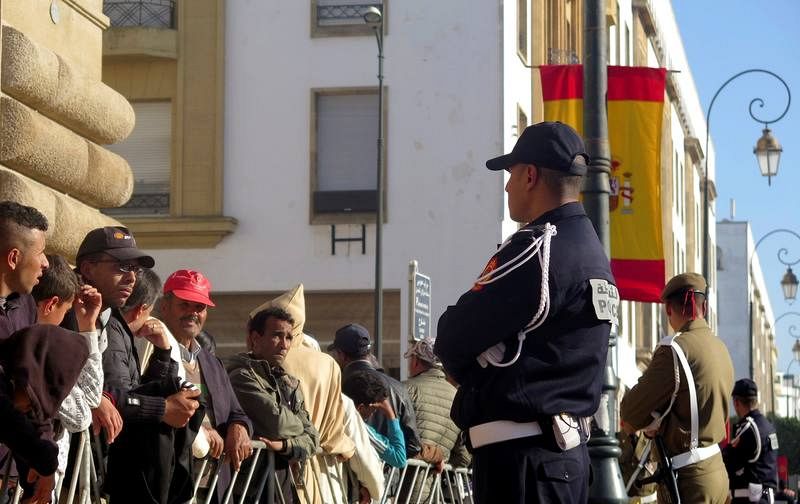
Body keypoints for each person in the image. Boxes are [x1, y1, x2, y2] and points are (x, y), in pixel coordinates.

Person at [434, 122, 616, 503]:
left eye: (511, 175)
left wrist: (471, 370)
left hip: (522, 467)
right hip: (560, 461)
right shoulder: (591, 252)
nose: (506, 187)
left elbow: (452, 337)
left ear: (530, 175)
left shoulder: (537, 249)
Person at [75, 227, 201, 503]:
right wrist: (163, 408)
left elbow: (129, 389)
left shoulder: (111, 319)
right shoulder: (73, 312)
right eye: (122, 266)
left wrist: (164, 356)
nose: (132, 277)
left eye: (134, 268)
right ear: (87, 268)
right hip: (68, 471)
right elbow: (112, 393)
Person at [621, 273, 734, 503]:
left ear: (669, 309)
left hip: (689, 478)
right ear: (704, 305)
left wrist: (653, 422)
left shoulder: (675, 348)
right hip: (716, 470)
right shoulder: (720, 347)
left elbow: (631, 411)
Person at [250, 285, 358, 504]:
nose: (283, 344)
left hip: (269, 466)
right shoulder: (327, 364)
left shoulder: (259, 361)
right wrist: (344, 449)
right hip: (311, 467)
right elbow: (331, 431)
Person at [159, 269, 252, 502]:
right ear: (164, 306)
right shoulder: (151, 351)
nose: (192, 313)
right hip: (170, 485)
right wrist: (199, 430)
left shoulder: (212, 363)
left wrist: (239, 427)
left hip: (213, 487)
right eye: (185, 305)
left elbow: (236, 411)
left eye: (199, 307)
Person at [227, 307, 319, 503]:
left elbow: (312, 439)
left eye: (288, 337)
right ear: (255, 338)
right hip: (251, 488)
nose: (284, 345)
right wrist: (299, 428)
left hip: (281, 486)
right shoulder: (241, 376)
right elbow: (277, 423)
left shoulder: (289, 383)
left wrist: (284, 445)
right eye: (277, 335)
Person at [32, 254, 104, 483]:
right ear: (51, 304)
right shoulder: (33, 349)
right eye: (65, 312)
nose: (65, 320)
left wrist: (88, 326)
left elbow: (91, 398)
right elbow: (81, 416)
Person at [0, 325, 90, 504]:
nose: (27, 410)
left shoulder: (14, 379)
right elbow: (8, 419)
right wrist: (45, 463)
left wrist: (38, 483)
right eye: (33, 400)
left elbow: (37, 422)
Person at [329, 323, 421, 459]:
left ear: (341, 355)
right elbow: (413, 446)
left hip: (344, 475)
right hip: (389, 476)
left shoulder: (335, 385)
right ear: (368, 352)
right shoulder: (398, 388)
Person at [402, 339, 470, 502]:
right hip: (433, 492)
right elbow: (464, 458)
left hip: (401, 488)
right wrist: (441, 460)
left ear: (417, 361)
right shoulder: (457, 396)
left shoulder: (406, 389)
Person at [723, 378, 779, 503]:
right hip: (764, 497)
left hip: (750, 499)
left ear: (736, 402)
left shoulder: (749, 428)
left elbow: (728, 460)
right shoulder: (768, 426)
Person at [342, 370, 407, 469]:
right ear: (361, 407)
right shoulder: (360, 429)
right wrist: (391, 415)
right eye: (374, 409)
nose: (374, 413)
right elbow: (399, 458)